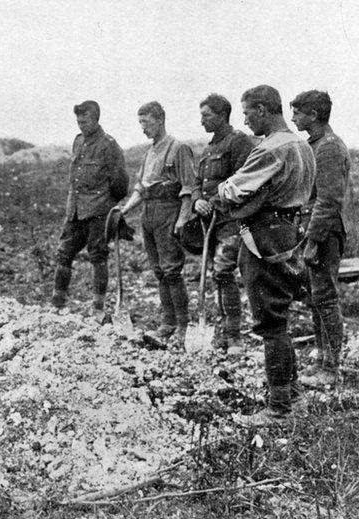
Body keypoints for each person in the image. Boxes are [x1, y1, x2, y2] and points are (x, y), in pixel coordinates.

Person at [218, 85, 315, 426]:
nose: (244, 120)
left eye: (247, 112)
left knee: (270, 323)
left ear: (262, 109)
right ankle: (294, 395)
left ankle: (278, 409)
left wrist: (223, 190)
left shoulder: (271, 148)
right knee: (280, 317)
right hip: (289, 232)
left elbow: (232, 188)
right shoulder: (302, 145)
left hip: (264, 236)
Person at [118, 102, 197, 348]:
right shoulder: (149, 152)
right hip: (148, 213)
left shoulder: (178, 148)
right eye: (140, 122)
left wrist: (183, 217)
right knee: (159, 271)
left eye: (147, 122)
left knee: (172, 270)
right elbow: (141, 188)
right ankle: (167, 322)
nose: (143, 128)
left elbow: (189, 187)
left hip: (168, 210)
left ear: (160, 120)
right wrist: (124, 210)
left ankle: (183, 325)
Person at [290, 90, 350, 388]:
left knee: (325, 298)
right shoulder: (314, 146)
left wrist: (313, 241)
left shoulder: (328, 148)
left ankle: (331, 367)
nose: (293, 118)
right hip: (314, 228)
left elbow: (328, 200)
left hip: (324, 231)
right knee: (316, 298)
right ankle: (321, 361)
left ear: (314, 115)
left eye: (298, 113)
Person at [49, 100, 128, 316]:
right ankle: (57, 304)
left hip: (97, 211)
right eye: (78, 121)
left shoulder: (109, 145)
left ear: (96, 118)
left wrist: (103, 203)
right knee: (63, 254)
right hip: (74, 211)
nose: (81, 125)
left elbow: (120, 184)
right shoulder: (78, 141)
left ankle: (97, 309)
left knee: (98, 256)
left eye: (85, 121)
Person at [191, 94, 256, 354]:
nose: (202, 120)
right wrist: (197, 201)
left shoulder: (238, 141)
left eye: (206, 115)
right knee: (216, 274)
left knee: (223, 271)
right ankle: (220, 331)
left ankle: (234, 337)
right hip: (209, 222)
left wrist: (215, 201)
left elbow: (243, 180)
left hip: (230, 220)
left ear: (221, 115)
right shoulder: (208, 148)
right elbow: (197, 184)